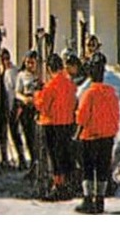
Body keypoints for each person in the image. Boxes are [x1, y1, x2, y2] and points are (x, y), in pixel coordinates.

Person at [75, 58, 120, 213]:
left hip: (90, 136)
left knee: (88, 168)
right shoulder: (112, 92)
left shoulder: (88, 94)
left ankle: (88, 200)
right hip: (107, 137)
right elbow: (116, 114)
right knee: (103, 168)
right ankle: (100, 200)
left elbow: (82, 116)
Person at [33, 53, 77, 200]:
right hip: (68, 123)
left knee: (55, 157)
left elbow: (42, 106)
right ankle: (68, 184)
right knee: (65, 155)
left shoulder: (50, 86)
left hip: (52, 123)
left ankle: (58, 186)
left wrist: (37, 93)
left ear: (50, 68)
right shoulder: (70, 84)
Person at [10, 49, 40, 175]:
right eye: (27, 62)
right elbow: (17, 93)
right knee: (29, 136)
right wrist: (25, 99)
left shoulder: (40, 75)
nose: (29, 65)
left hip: (37, 107)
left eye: (32, 63)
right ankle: (32, 162)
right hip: (26, 108)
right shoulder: (21, 76)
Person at [0, 48, 18, 170]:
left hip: (11, 106)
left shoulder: (12, 72)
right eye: (3, 59)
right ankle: (4, 157)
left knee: (15, 132)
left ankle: (20, 157)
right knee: (2, 134)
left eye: (7, 58)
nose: (5, 61)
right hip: (1, 108)